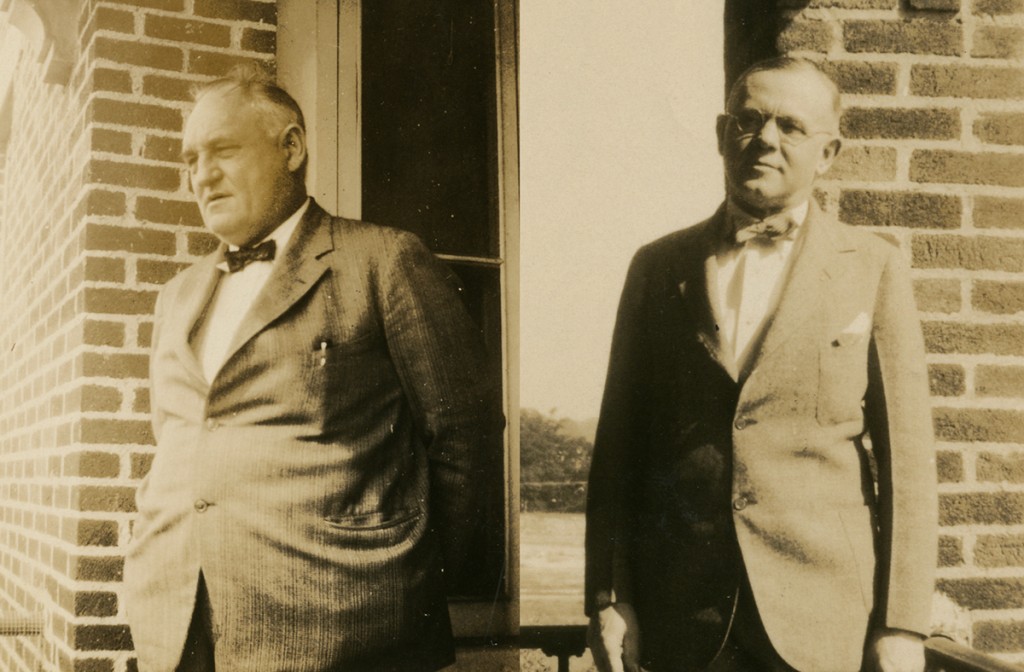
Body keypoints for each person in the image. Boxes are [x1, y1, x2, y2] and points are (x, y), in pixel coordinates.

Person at [124, 67, 503, 672]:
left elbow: (465, 435)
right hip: (177, 627)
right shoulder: (178, 295)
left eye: (222, 150)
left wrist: (405, 590)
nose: (202, 176)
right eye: (190, 159)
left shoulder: (383, 261)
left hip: (340, 634)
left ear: (292, 147)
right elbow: (177, 438)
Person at [584, 57, 937, 672]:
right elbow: (619, 449)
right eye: (749, 120)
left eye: (791, 126)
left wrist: (902, 624)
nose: (765, 140)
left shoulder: (873, 268)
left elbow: (908, 466)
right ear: (723, 135)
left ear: (828, 152)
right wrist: (610, 597)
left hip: (825, 623)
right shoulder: (658, 267)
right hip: (684, 621)